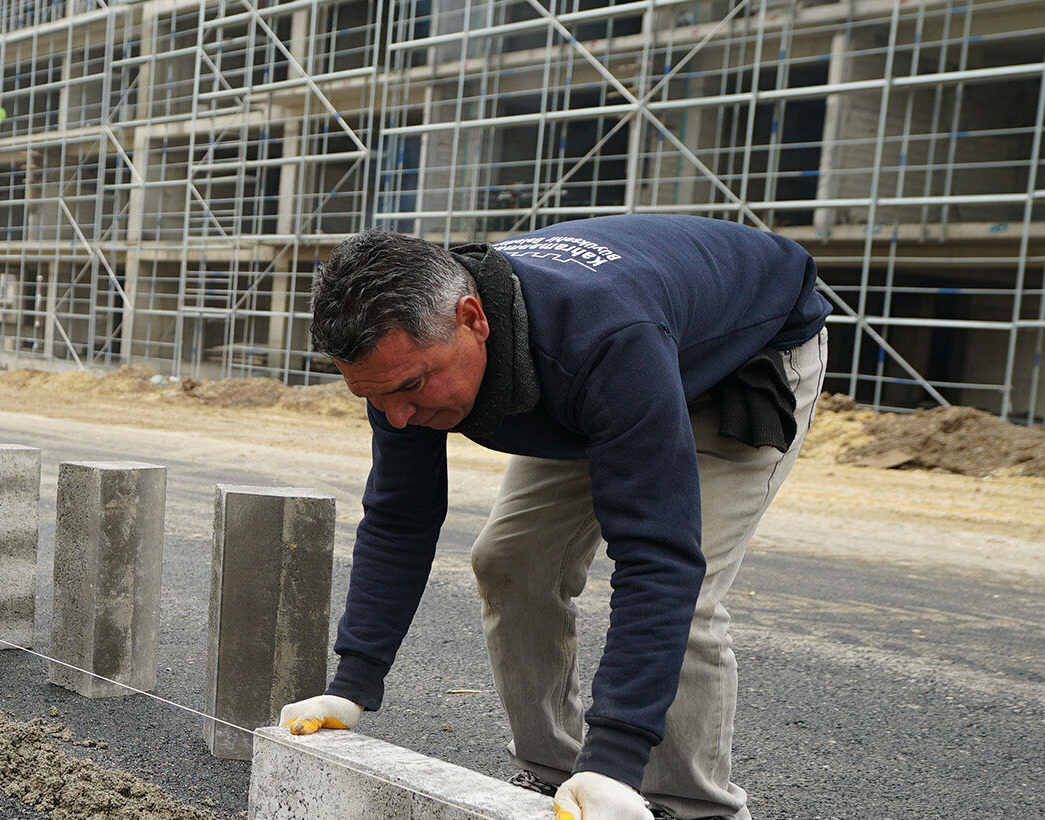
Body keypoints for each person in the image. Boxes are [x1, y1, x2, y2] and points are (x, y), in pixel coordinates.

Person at [279, 214, 831, 820]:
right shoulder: (401, 361)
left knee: (687, 598)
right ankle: (563, 781)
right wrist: (352, 682)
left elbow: (657, 554)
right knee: (509, 560)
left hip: (737, 362)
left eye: (410, 386)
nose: (397, 417)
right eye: (373, 397)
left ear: (472, 319)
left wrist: (618, 753)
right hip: (589, 373)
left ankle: (689, 807)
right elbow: (399, 515)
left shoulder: (603, 337)